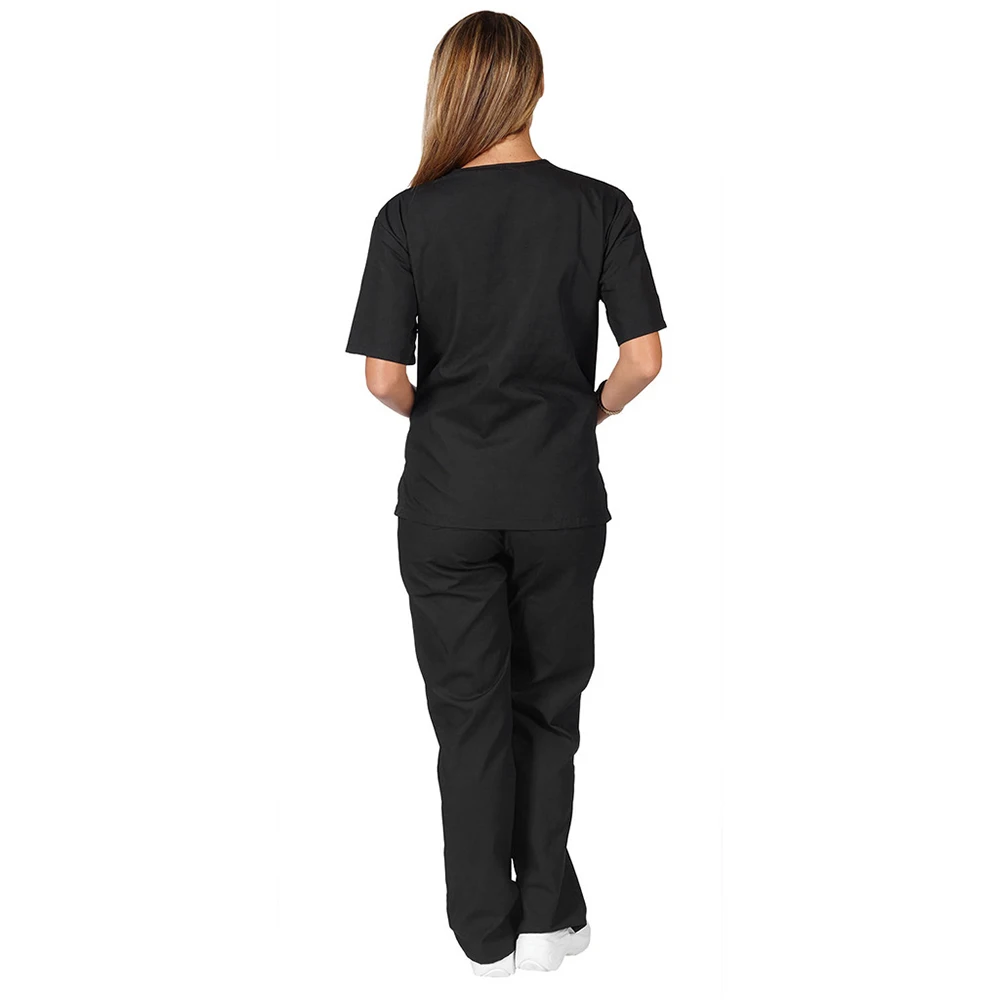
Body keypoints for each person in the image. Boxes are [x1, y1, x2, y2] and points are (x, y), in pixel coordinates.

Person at [346, 10, 665, 977]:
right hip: (559, 493)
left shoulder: (408, 218)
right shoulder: (600, 207)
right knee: (549, 706)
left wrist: (441, 420)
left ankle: (484, 934)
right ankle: (546, 920)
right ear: (535, 86)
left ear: (448, 90)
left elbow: (383, 379)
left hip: (446, 501)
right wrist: (589, 413)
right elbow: (644, 361)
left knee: (467, 714)